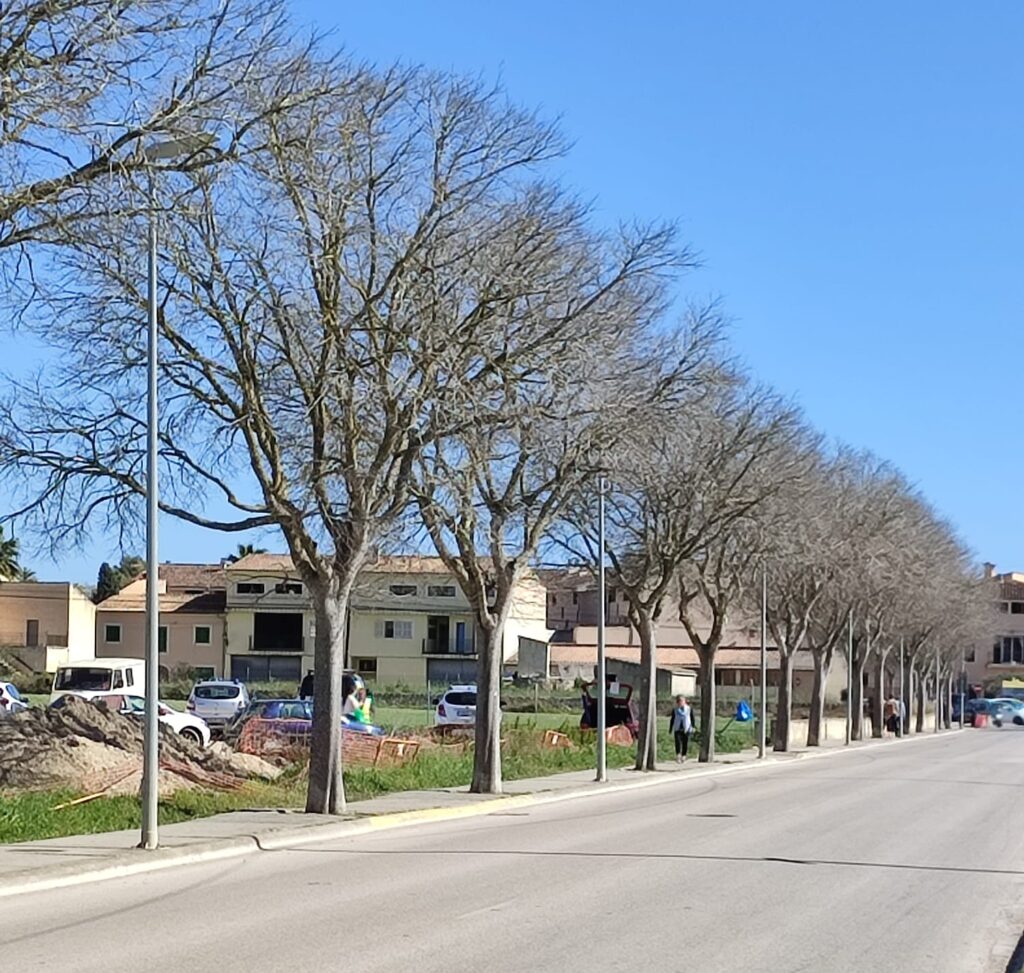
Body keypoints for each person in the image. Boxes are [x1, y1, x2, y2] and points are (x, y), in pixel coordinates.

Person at [668, 695, 693, 763]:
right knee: (678, 742)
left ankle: (684, 755)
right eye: (679, 701)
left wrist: (693, 727)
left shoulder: (688, 709)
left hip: (686, 728)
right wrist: (670, 728)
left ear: (685, 701)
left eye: (682, 701)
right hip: (678, 728)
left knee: (685, 742)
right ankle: (678, 755)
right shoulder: (675, 710)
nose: (680, 702)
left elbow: (691, 718)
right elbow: (672, 719)